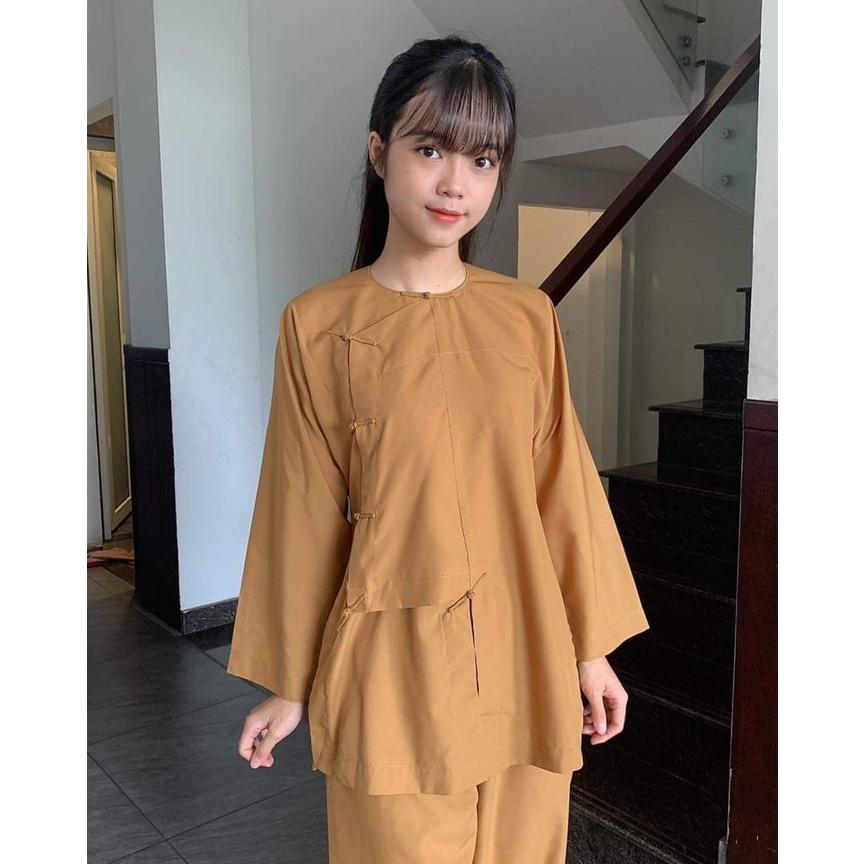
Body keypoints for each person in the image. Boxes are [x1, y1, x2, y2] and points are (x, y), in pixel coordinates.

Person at [226, 34, 649, 864]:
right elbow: (301, 512)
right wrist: (289, 685)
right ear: (378, 151)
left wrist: (590, 650)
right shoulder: (318, 325)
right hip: (394, 665)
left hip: (525, 650)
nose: (458, 183)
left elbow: (563, 488)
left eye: (483, 161)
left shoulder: (526, 317)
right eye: (430, 150)